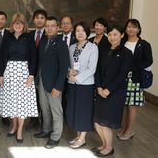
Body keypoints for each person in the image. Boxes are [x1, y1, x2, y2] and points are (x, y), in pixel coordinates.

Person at [0, 13, 38, 143]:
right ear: (12, 24)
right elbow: (1, 57)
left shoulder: (29, 37)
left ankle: (20, 130)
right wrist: (1, 74)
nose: (18, 25)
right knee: (12, 102)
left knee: (21, 103)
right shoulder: (7, 37)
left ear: (24, 24)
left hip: (24, 73)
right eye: (15, 22)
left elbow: (34, 57)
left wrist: (31, 75)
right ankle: (14, 126)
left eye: (20, 22)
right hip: (9, 73)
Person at [93, 24, 132, 157]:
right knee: (97, 122)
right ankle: (104, 144)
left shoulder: (126, 53)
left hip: (115, 92)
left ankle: (109, 148)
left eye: (115, 34)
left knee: (105, 122)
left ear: (121, 35)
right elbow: (97, 70)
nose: (112, 37)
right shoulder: (103, 49)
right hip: (100, 90)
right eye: (109, 34)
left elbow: (122, 74)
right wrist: (98, 87)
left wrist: (108, 90)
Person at [34, 17, 70, 149]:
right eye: (47, 26)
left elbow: (63, 68)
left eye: (52, 26)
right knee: (44, 108)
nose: (49, 28)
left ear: (57, 28)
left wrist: (58, 86)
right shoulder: (44, 41)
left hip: (54, 84)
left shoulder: (61, 44)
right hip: (42, 82)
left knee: (56, 111)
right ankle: (46, 130)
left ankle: (55, 137)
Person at [117, 19, 153, 141]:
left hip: (134, 79)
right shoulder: (122, 42)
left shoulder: (144, 44)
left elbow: (148, 61)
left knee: (132, 106)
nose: (131, 29)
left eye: (134, 27)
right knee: (124, 105)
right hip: (122, 79)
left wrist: (131, 66)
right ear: (125, 29)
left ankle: (130, 130)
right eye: (128, 27)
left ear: (138, 29)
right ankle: (124, 128)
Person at [66, 21, 98, 149]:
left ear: (87, 33)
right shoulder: (72, 47)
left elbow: (92, 68)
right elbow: (68, 64)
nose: (80, 33)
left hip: (85, 84)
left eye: (83, 31)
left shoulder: (93, 47)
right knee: (75, 109)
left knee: (84, 110)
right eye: (78, 30)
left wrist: (77, 78)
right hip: (72, 83)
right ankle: (78, 136)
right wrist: (69, 72)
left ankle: (82, 138)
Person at [26, 9, 47, 130]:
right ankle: (34, 120)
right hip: (31, 71)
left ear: (45, 20)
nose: (39, 20)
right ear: (33, 20)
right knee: (32, 96)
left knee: (44, 96)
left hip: (44, 71)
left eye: (42, 18)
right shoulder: (29, 35)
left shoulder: (49, 35)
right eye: (37, 18)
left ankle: (45, 121)